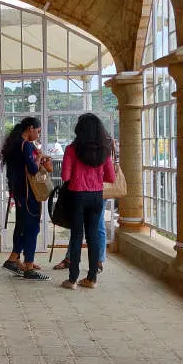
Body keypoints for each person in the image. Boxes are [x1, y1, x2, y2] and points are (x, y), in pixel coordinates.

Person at [60, 113, 115, 290]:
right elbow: (111, 177)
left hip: (77, 195)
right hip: (97, 196)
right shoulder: (104, 150)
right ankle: (91, 278)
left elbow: (65, 176)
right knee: (93, 237)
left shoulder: (71, 149)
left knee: (76, 236)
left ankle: (72, 279)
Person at [1, 117, 53, 280]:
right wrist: (40, 157)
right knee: (32, 228)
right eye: (37, 131)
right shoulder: (27, 145)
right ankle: (28, 267)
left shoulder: (15, 145)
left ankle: (14, 258)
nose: (38, 135)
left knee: (23, 226)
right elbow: (32, 169)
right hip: (29, 193)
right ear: (30, 128)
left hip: (19, 192)